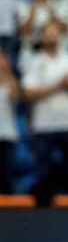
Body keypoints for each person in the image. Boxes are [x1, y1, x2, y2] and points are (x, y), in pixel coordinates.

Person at [21, 21, 68, 204]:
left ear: (60, 36)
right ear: (42, 37)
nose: (51, 36)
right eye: (47, 33)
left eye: (54, 33)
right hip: (43, 124)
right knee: (43, 170)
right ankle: (44, 206)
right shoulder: (34, 61)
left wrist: (66, 86)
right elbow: (28, 93)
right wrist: (59, 85)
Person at [0, 52, 18, 194]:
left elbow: (15, 97)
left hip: (7, 134)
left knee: (6, 175)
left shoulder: (10, 81)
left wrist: (6, 73)